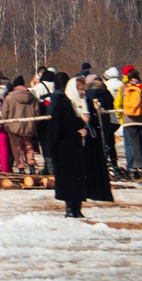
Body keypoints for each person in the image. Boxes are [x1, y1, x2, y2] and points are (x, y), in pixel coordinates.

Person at [46, 69, 102, 219]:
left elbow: (95, 127)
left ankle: (78, 207)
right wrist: (53, 151)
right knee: (69, 181)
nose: (82, 92)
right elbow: (57, 127)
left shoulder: (85, 105)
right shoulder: (62, 104)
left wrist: (87, 129)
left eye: (83, 89)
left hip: (81, 150)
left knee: (80, 180)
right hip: (66, 150)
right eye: (79, 89)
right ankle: (70, 207)